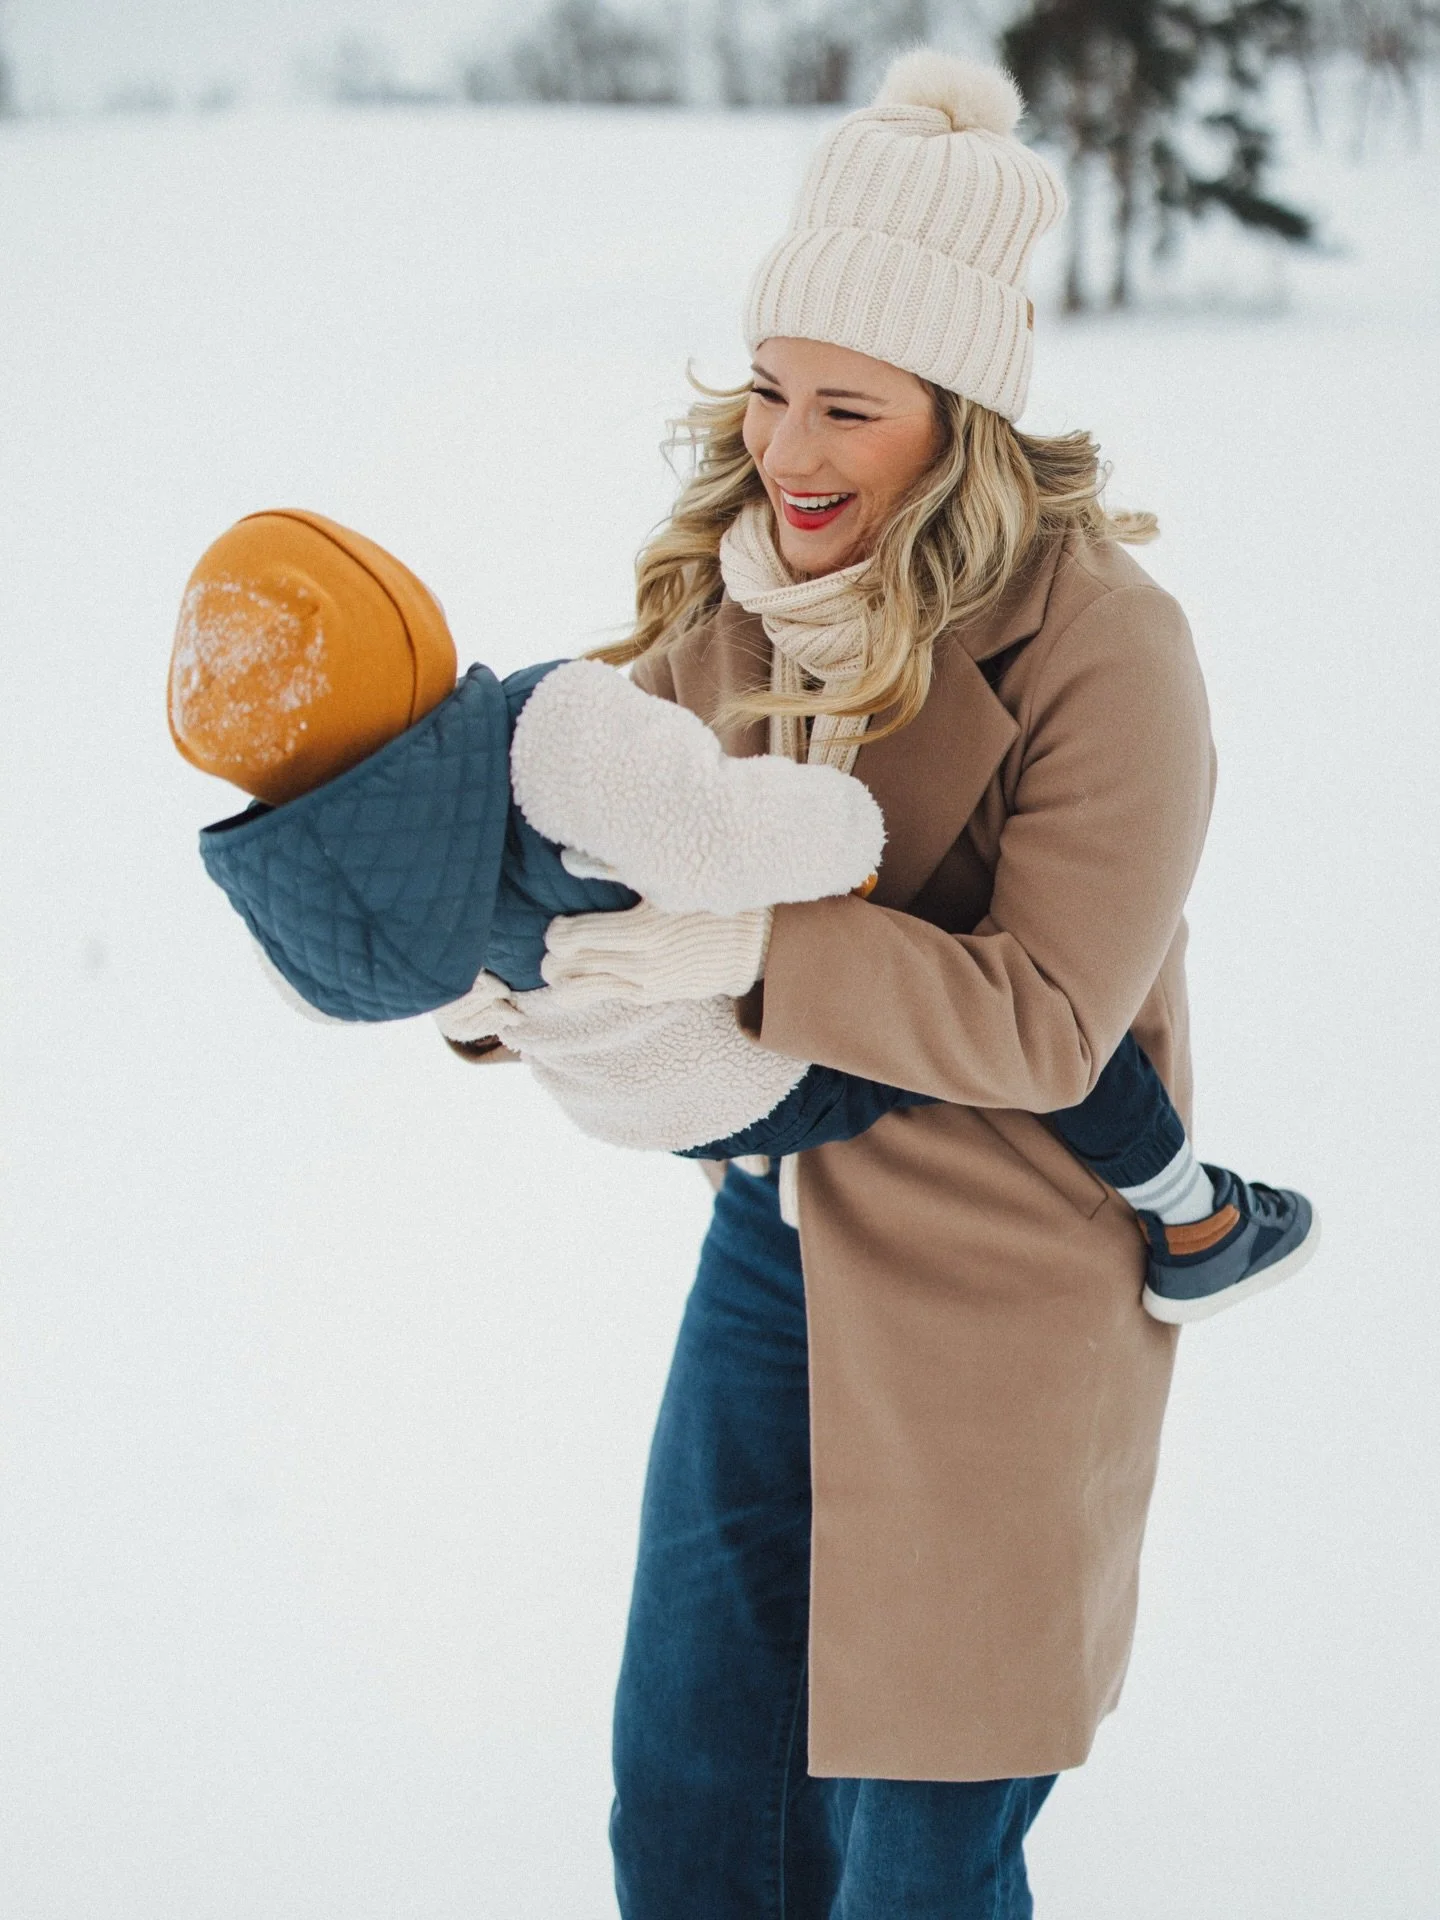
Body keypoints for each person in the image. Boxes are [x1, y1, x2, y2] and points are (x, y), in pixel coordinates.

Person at [483, 48, 1316, 1916]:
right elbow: (621, 839)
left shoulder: (1109, 647)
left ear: (963, 420)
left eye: (845, 410)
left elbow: (1041, 1017)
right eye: (771, 393)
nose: (787, 453)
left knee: (916, 1868)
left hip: (997, 1286)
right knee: (692, 1815)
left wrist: (751, 946)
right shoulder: (755, 601)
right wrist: (500, 950)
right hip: (769, 1256)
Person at [174, 510, 1313, 1326]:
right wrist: (847, 832)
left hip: (640, 1116)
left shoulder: (308, 879)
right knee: (1032, 1002)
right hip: (759, 1072)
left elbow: (405, 989)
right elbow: (722, 832)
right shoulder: (549, 736)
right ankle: (1193, 1216)